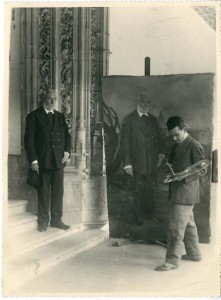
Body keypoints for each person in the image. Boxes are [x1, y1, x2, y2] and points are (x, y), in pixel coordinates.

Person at [155, 116, 207, 271]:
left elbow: (203, 169)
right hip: (179, 191)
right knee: (188, 224)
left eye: (177, 134)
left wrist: (182, 177)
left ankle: (171, 261)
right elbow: (176, 164)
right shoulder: (176, 145)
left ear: (184, 129)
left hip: (186, 193)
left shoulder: (194, 145)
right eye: (172, 135)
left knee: (175, 227)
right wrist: (169, 169)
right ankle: (194, 253)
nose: (174, 138)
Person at [24, 89, 71, 232]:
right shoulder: (33, 116)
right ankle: (43, 221)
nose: (52, 102)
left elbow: (67, 137)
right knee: (43, 192)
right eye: (49, 99)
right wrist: (33, 161)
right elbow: (29, 140)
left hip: (58, 161)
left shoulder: (60, 116)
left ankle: (57, 220)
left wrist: (67, 152)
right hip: (43, 161)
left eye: (54, 99)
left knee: (58, 192)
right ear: (43, 99)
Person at [120, 92, 163, 225]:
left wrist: (161, 155)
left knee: (151, 190)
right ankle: (136, 217)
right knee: (136, 191)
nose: (144, 105)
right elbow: (124, 144)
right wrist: (127, 164)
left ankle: (149, 215)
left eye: (147, 103)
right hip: (136, 163)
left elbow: (159, 140)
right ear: (136, 103)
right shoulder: (129, 120)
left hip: (152, 163)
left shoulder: (154, 120)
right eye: (141, 103)